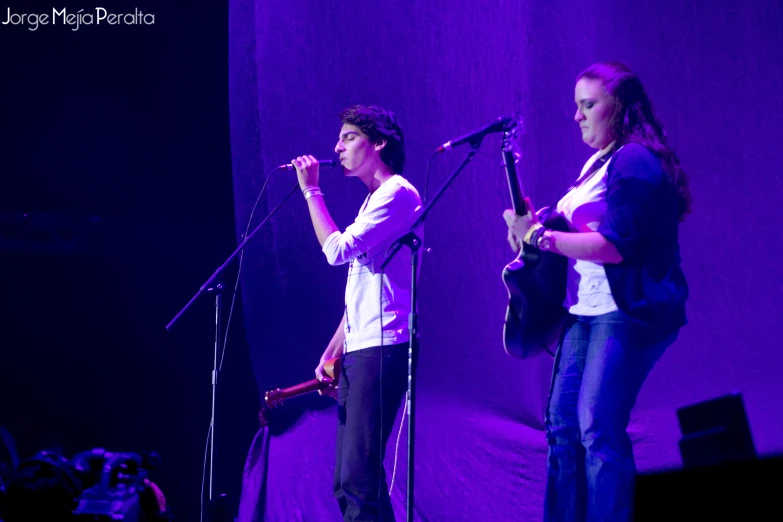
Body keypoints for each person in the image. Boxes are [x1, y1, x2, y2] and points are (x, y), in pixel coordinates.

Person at [503, 62, 691, 521]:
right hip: (584, 312)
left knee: (597, 429)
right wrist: (530, 231)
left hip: (622, 312)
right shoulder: (598, 162)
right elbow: (571, 235)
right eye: (576, 106)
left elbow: (615, 246)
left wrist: (543, 239)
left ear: (619, 106)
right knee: (562, 428)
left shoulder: (634, 159)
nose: (577, 116)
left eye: (588, 104)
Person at [291, 104, 422, 521]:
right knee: (346, 480)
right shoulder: (373, 201)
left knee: (359, 476)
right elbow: (362, 293)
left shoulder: (397, 193)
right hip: (362, 345)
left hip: (384, 347)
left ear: (378, 142)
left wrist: (312, 191)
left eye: (348, 137)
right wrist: (333, 350)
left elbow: (336, 251)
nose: (337, 147)